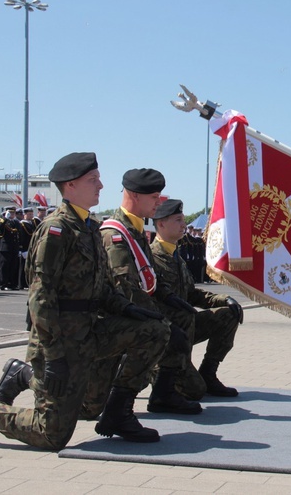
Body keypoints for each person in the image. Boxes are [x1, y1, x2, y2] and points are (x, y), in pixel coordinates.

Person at [0, 152, 171, 449]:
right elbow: (41, 298)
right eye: (93, 180)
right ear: (70, 186)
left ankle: (117, 412)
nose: (101, 185)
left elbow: (101, 288)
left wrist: (127, 308)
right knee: (51, 434)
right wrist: (52, 357)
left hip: (89, 333)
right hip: (60, 342)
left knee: (151, 335)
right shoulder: (56, 230)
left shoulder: (89, 228)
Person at [82, 168, 203, 417]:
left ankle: (161, 395)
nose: (159, 202)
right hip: (110, 322)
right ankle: (26, 374)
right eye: (154, 197)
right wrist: (162, 320)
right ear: (135, 196)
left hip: (129, 318)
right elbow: (124, 290)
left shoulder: (137, 231)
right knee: (88, 406)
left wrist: (170, 299)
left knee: (177, 322)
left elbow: (150, 279)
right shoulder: (115, 234)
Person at [151, 199, 243, 399]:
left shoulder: (177, 257)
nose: (184, 225)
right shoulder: (150, 258)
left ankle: (208, 373)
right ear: (161, 224)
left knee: (228, 315)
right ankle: (157, 372)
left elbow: (192, 294)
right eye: (178, 220)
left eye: (183, 220)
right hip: (165, 336)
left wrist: (223, 299)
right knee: (195, 391)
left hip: (186, 329)